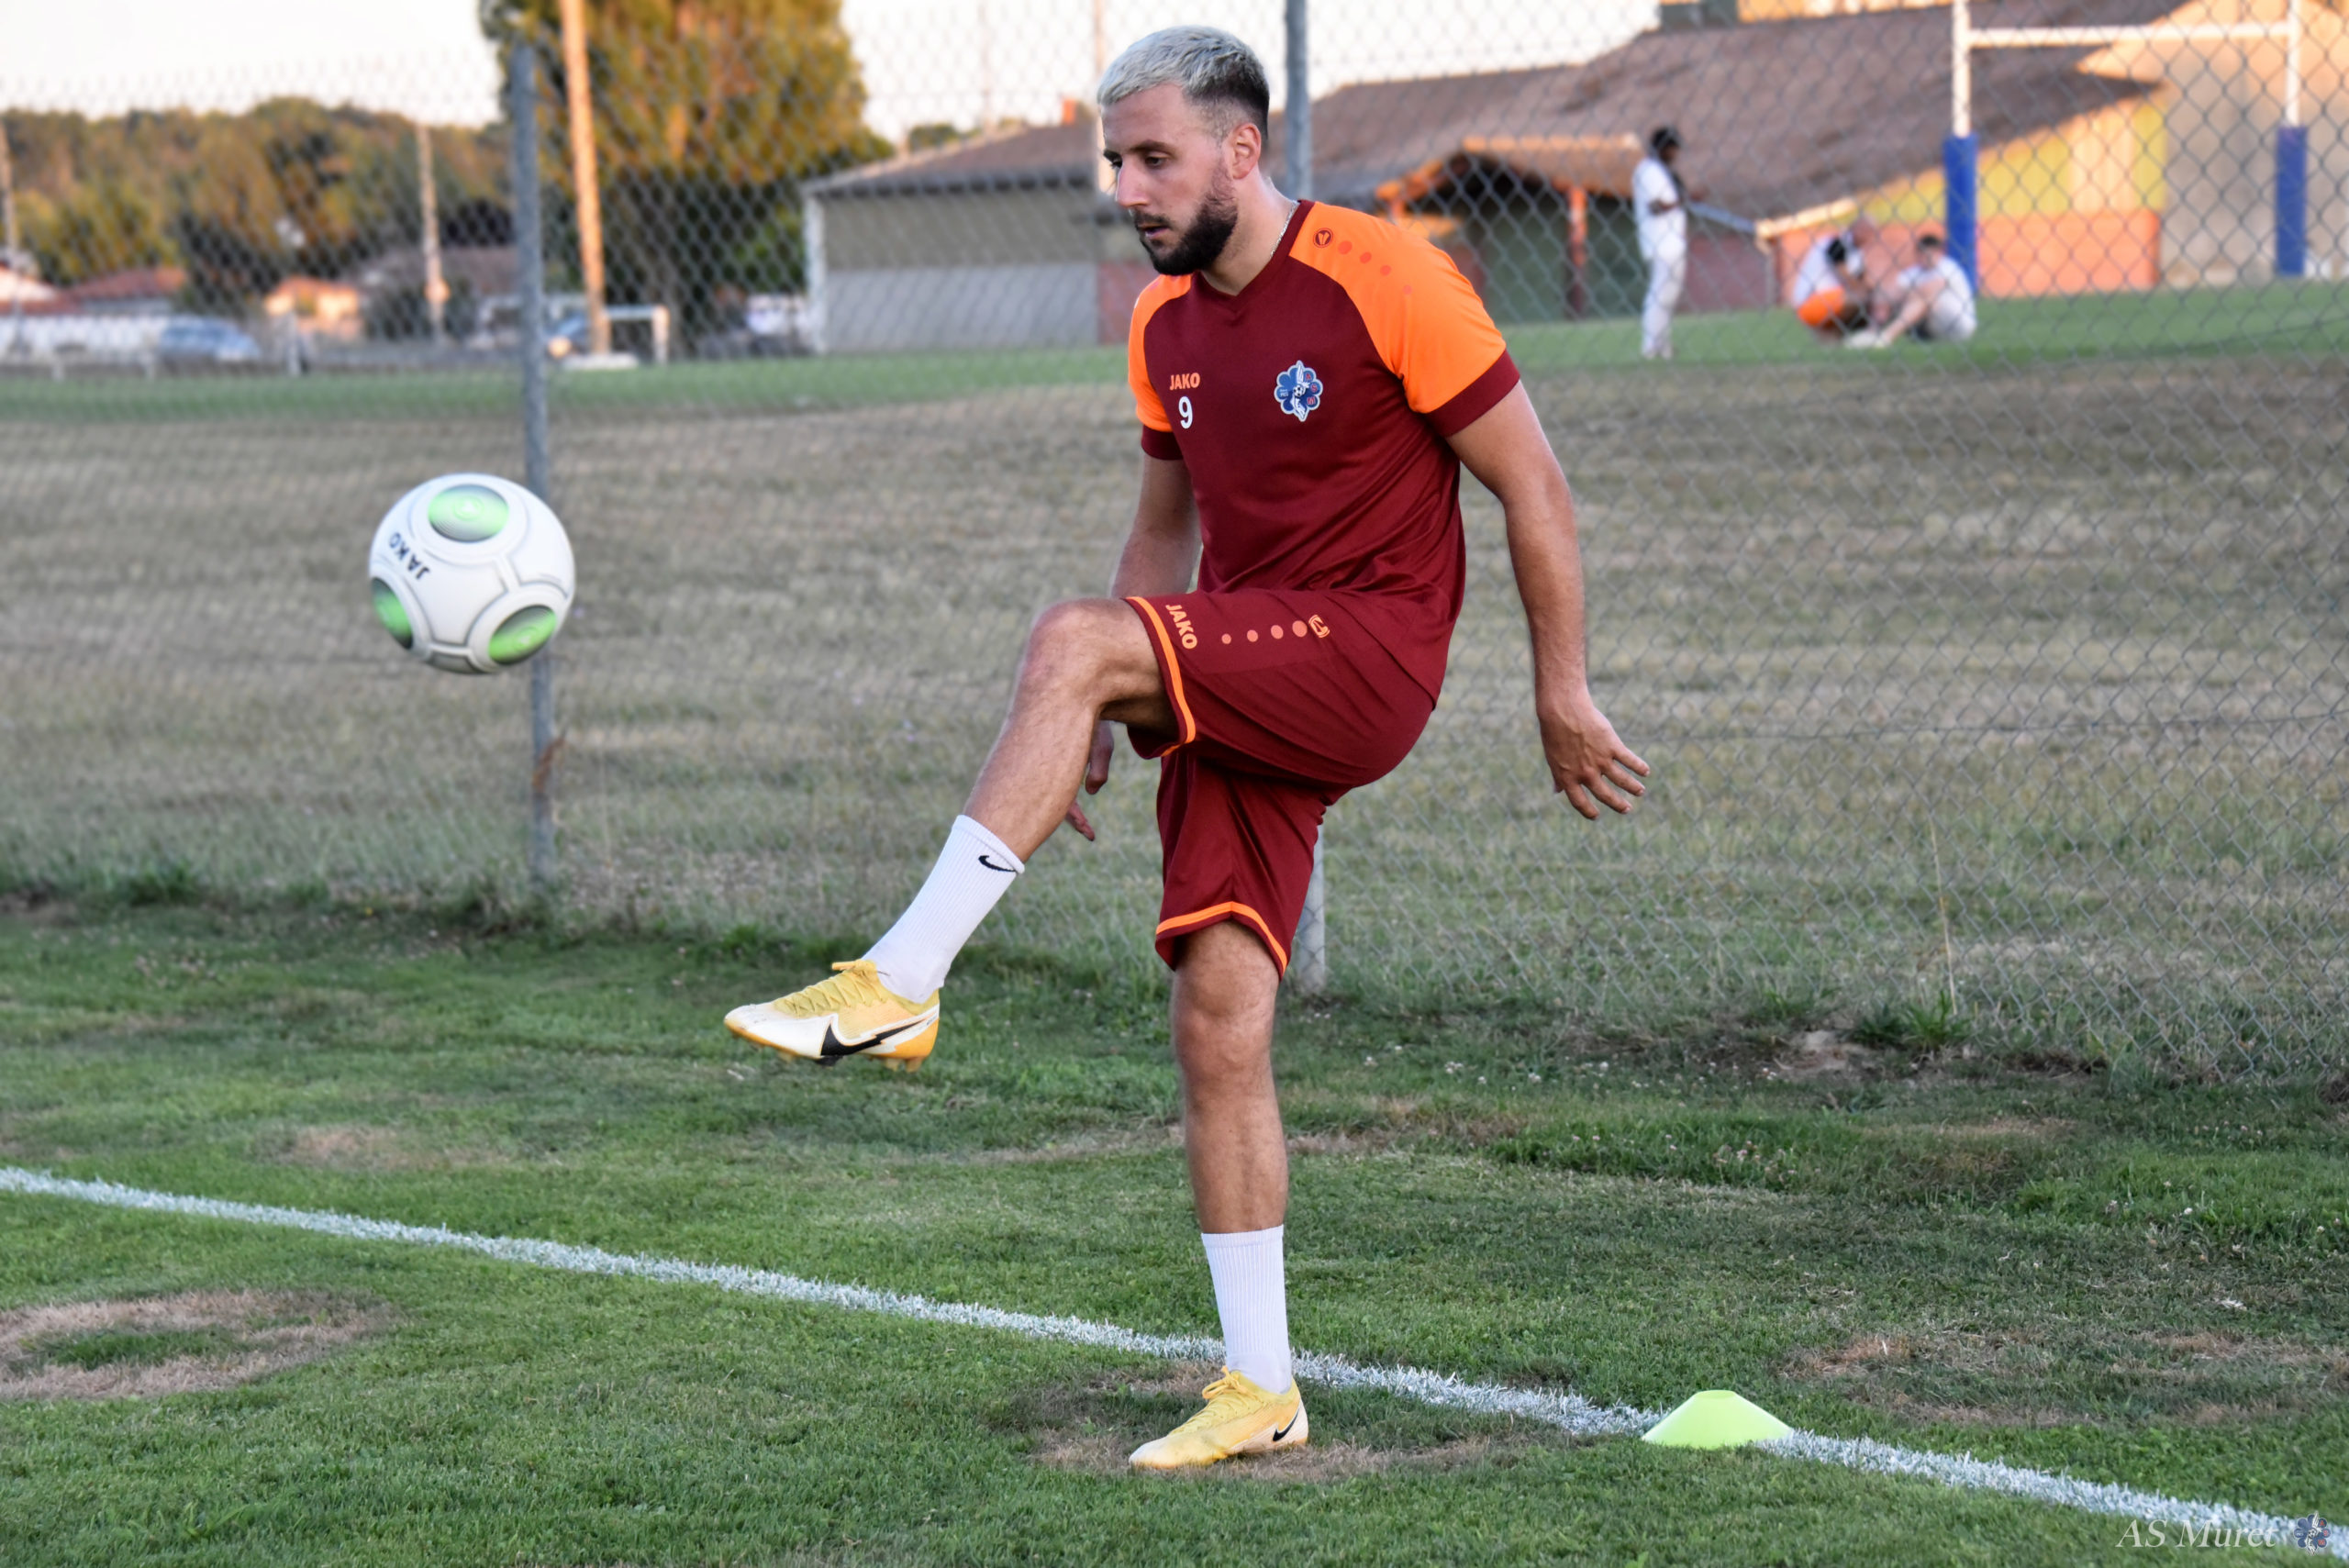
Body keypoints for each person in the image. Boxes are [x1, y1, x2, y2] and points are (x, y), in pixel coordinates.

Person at [724, 25, 1646, 1471]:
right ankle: (1261, 1389)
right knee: (1218, 1015)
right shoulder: (1163, 330)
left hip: (1369, 649)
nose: (1128, 189)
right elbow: (1162, 533)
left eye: (1154, 158)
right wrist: (1099, 700)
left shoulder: (1388, 276)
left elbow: (1535, 486)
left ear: (1240, 150)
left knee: (1067, 636)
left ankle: (898, 980)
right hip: (1239, 660)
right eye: (1116, 162)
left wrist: (1562, 689)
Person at [1854, 229, 1976, 348]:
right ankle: (1871, 332)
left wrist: (1904, 295)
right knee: (1885, 296)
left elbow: (1928, 290)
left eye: (1930, 254)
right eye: (1922, 254)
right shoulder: (1913, 272)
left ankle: (1885, 337)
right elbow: (1891, 292)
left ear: (1939, 253)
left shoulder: (1948, 267)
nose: (1926, 258)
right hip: (1928, 326)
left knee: (1925, 299)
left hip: (1956, 324)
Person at [1632, 126, 1687, 360]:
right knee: (1659, 294)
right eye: (1672, 149)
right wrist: (1684, 201)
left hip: (1672, 242)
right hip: (1661, 242)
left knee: (1668, 295)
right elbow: (1656, 205)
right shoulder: (1649, 170)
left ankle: (1662, 344)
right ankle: (1651, 345)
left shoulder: (1661, 170)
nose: (1675, 155)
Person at [1789, 217, 1875, 340]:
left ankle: (1837, 337)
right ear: (1857, 229)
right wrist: (1868, 292)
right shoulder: (1837, 243)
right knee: (1861, 298)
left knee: (1868, 297)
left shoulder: (1857, 253)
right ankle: (1840, 335)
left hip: (1828, 299)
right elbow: (1849, 278)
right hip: (1811, 300)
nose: (1869, 236)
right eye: (1867, 231)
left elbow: (1861, 282)